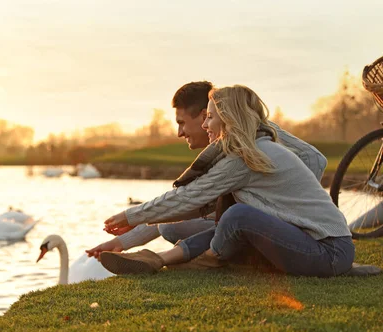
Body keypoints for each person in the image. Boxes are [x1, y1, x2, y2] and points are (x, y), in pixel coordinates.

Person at [98, 85, 364, 278]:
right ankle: (157, 259)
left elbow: (189, 197)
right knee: (224, 217)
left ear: (228, 118)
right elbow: (194, 202)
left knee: (238, 215)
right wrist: (134, 228)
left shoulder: (246, 157)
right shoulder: (250, 149)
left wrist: (129, 215)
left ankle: (203, 260)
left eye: (210, 118)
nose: (205, 125)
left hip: (328, 251)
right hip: (327, 248)